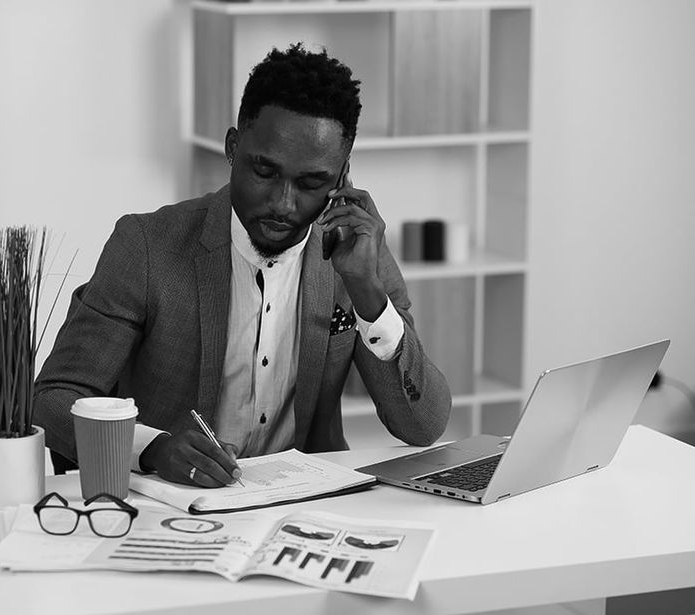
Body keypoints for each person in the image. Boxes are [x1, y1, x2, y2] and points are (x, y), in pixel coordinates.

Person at [34, 43, 451, 488]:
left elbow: (423, 426)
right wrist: (152, 449)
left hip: (302, 504)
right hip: (175, 502)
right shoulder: (147, 246)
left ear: (342, 177)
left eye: (311, 183)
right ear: (233, 148)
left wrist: (368, 293)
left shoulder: (357, 255)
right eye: (264, 172)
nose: (283, 204)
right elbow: (54, 399)